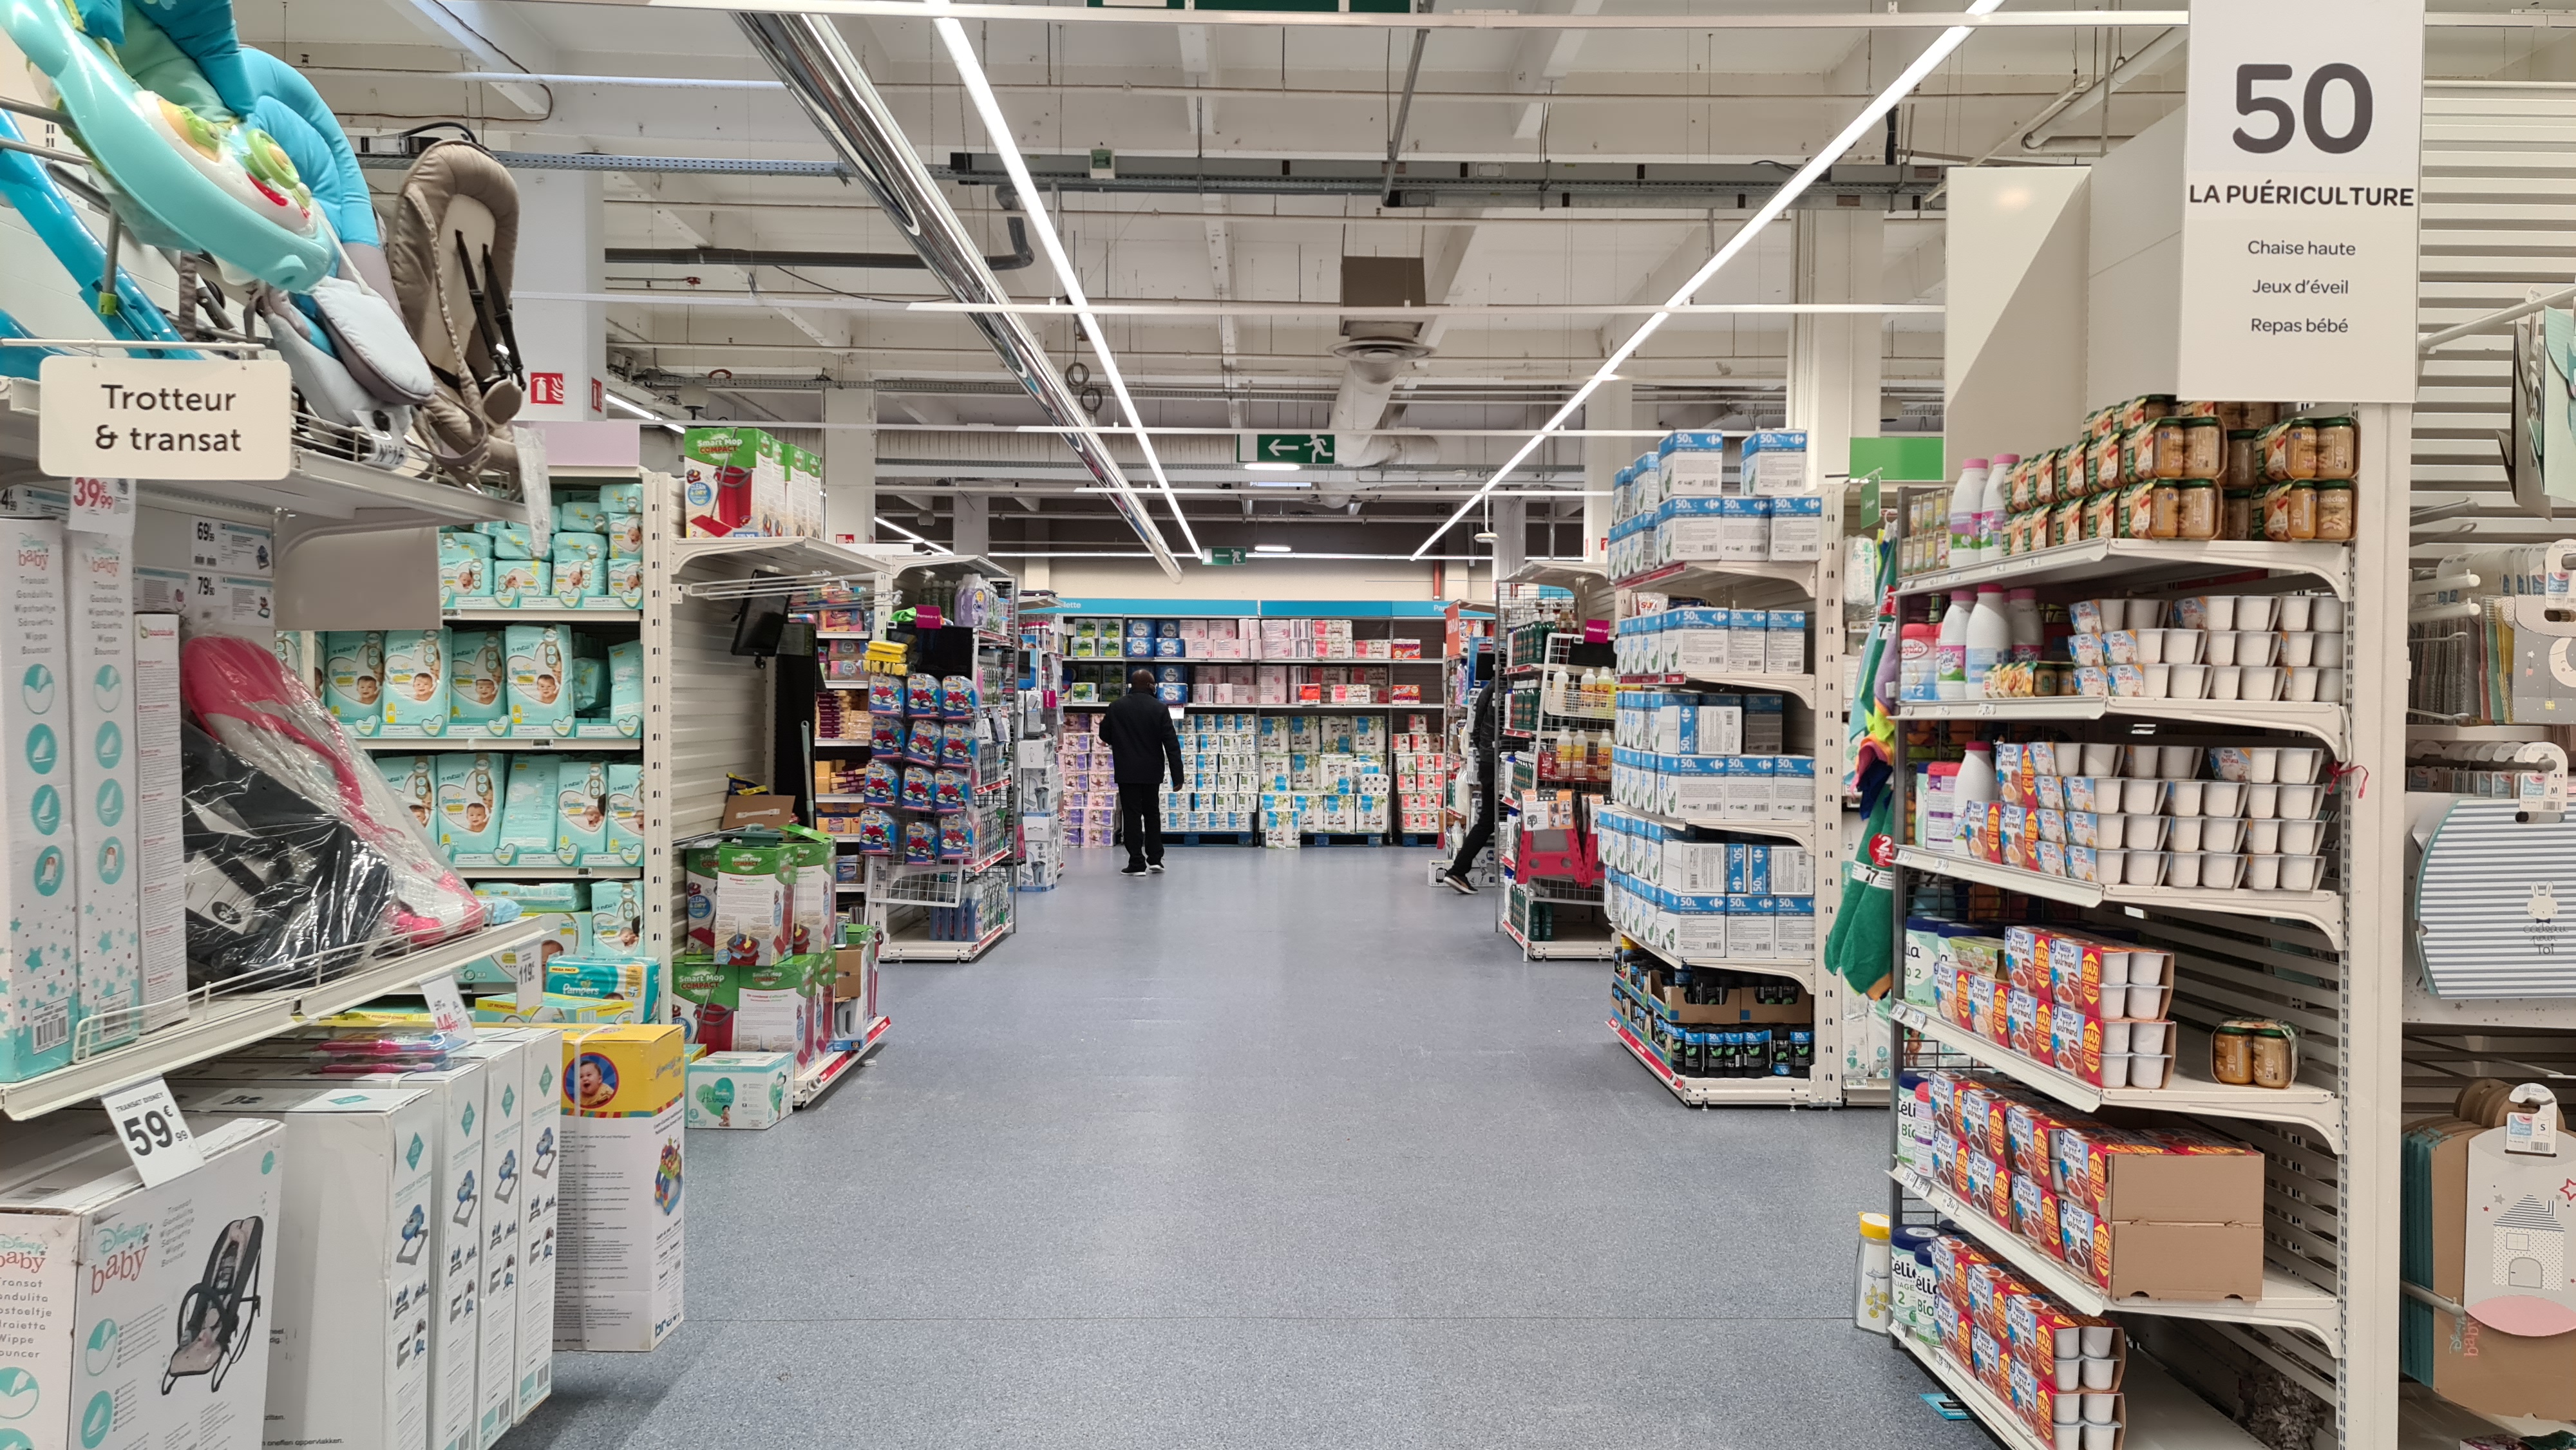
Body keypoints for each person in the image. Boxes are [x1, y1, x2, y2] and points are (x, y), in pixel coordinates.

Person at [1099, 667, 1185, 876]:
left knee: (1132, 815)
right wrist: (1178, 776)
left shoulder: (1116, 707)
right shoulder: (1159, 708)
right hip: (1151, 771)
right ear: (1149, 686)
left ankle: (1136, 862)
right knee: (1152, 813)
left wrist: (1120, 742)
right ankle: (1155, 859)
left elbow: (1104, 733)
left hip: (1127, 770)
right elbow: (1171, 744)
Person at [1443, 665, 1502, 894]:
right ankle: (1457, 870)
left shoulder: (1488, 689)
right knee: (1489, 821)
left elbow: (1475, 730)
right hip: (1499, 762)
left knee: (1487, 821)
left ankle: (1458, 870)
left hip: (1489, 760)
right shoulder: (1504, 692)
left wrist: (1485, 753)